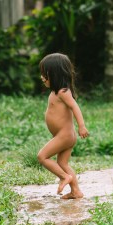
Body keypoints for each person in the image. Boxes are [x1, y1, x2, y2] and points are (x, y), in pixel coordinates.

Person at [38, 53, 88, 199]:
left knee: (42, 156)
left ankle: (64, 177)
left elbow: (75, 107)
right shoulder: (56, 92)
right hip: (65, 135)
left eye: (45, 74)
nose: (42, 77)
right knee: (62, 163)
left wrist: (81, 126)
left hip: (64, 136)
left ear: (55, 74)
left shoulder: (63, 92)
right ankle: (76, 191)